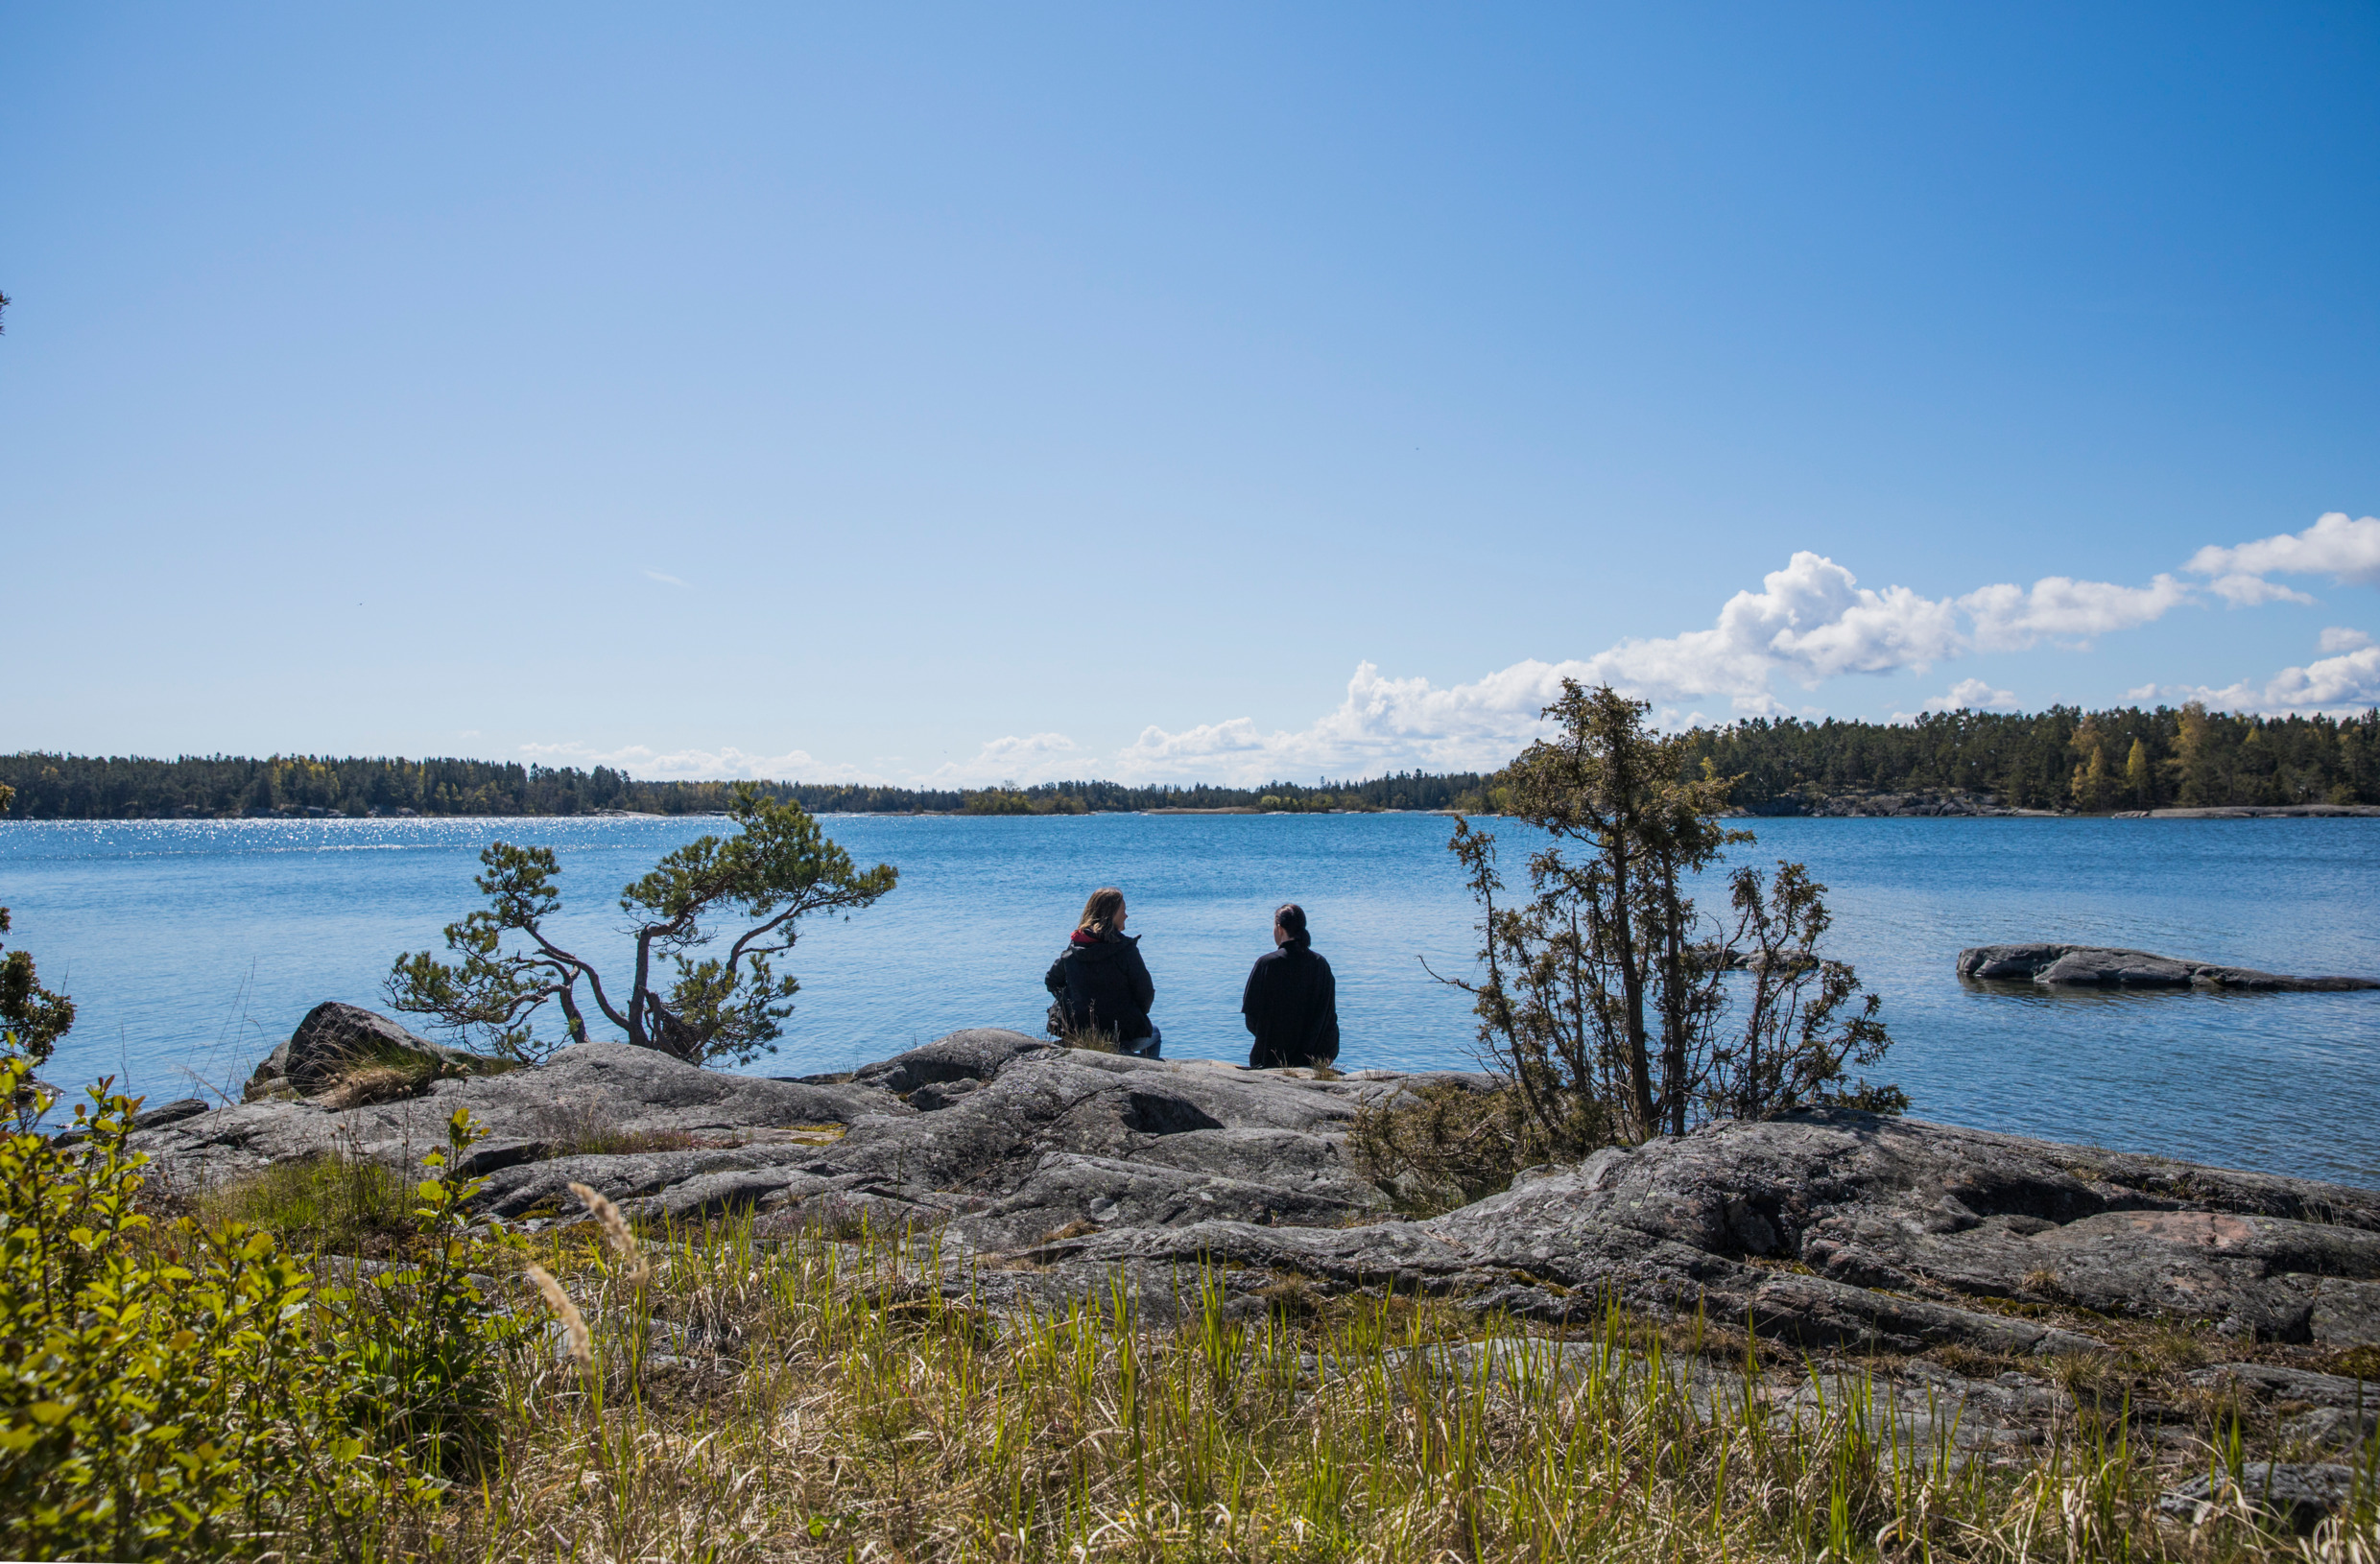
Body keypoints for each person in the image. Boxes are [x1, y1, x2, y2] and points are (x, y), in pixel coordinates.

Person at [1043, 886, 1160, 1057]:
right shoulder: (1126, 950)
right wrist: (1134, 1014)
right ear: (1111, 913)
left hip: (1079, 1030)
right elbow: (1145, 992)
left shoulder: (1076, 947)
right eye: (1123, 910)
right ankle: (1142, 1073)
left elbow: (1051, 980)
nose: (1126, 915)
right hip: (1121, 1033)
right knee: (1155, 1034)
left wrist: (1070, 1003)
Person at [1242, 902, 1338, 1070]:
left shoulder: (1266, 964)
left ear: (1279, 928)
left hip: (1270, 1058)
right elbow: (1329, 1016)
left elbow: (1251, 1017)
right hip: (1313, 1058)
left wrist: (1270, 1039)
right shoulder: (1320, 964)